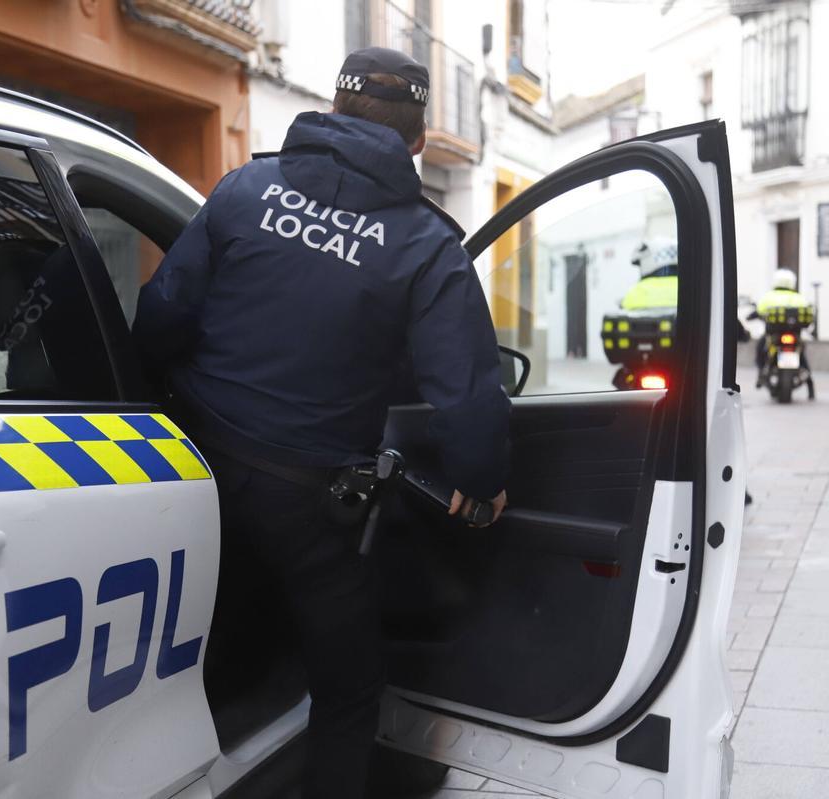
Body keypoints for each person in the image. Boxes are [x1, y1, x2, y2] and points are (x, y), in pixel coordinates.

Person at [133, 47, 510, 799]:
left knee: (209, 631)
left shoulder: (245, 189)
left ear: (331, 111)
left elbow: (161, 316)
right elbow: (465, 395)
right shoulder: (426, 244)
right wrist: (482, 487)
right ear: (419, 141)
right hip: (306, 506)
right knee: (348, 685)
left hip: (189, 466)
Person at [753, 268, 814, 397]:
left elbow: (759, 310)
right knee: (802, 355)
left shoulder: (768, 297)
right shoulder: (799, 298)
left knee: (760, 348)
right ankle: (810, 385)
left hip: (774, 336)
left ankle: (760, 373)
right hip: (794, 336)